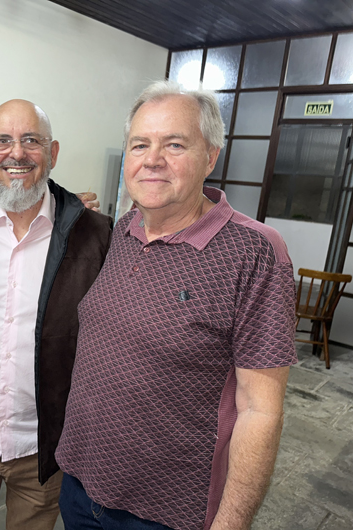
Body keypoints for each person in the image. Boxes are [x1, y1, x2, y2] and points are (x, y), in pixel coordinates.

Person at [55, 81, 297, 530]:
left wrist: (231, 523)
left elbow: (260, 410)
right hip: (81, 485)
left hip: (167, 513)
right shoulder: (125, 229)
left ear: (211, 156)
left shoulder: (255, 252)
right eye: (140, 144)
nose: (152, 160)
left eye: (175, 144)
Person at [0, 99, 112, 530]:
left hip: (44, 451)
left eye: (31, 140)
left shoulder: (95, 235)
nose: (16, 153)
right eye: (3, 141)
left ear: (53, 153)